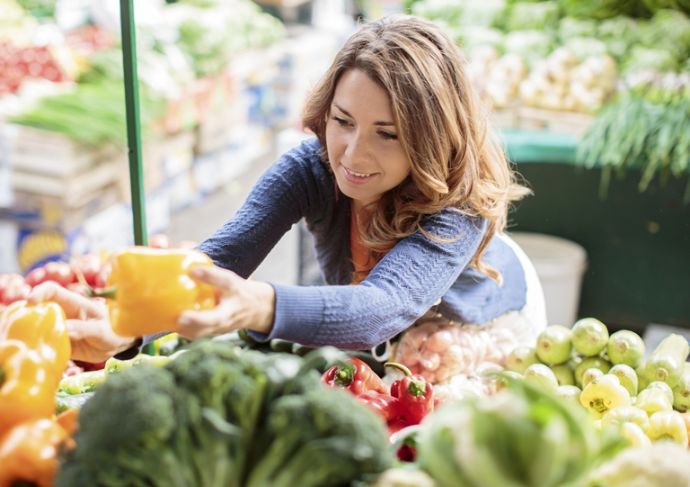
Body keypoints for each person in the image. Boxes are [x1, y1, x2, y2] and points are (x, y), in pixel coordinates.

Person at [31, 15, 547, 376]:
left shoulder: (459, 204)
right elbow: (221, 259)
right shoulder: (313, 164)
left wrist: (258, 303)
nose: (353, 155)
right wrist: (127, 325)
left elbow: (380, 307)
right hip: (378, 329)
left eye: (387, 134)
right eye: (343, 121)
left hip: (479, 323)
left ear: (432, 138)